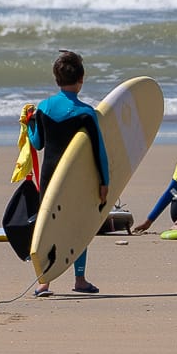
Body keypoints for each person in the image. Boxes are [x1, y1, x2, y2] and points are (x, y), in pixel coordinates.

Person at [28, 50, 109, 295]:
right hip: (76, 178)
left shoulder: (44, 107)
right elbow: (99, 152)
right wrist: (104, 181)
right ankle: (80, 280)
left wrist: (29, 125)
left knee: (48, 226)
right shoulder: (87, 113)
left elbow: (37, 143)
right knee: (78, 227)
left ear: (56, 80)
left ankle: (43, 282)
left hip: (50, 176)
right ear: (81, 79)